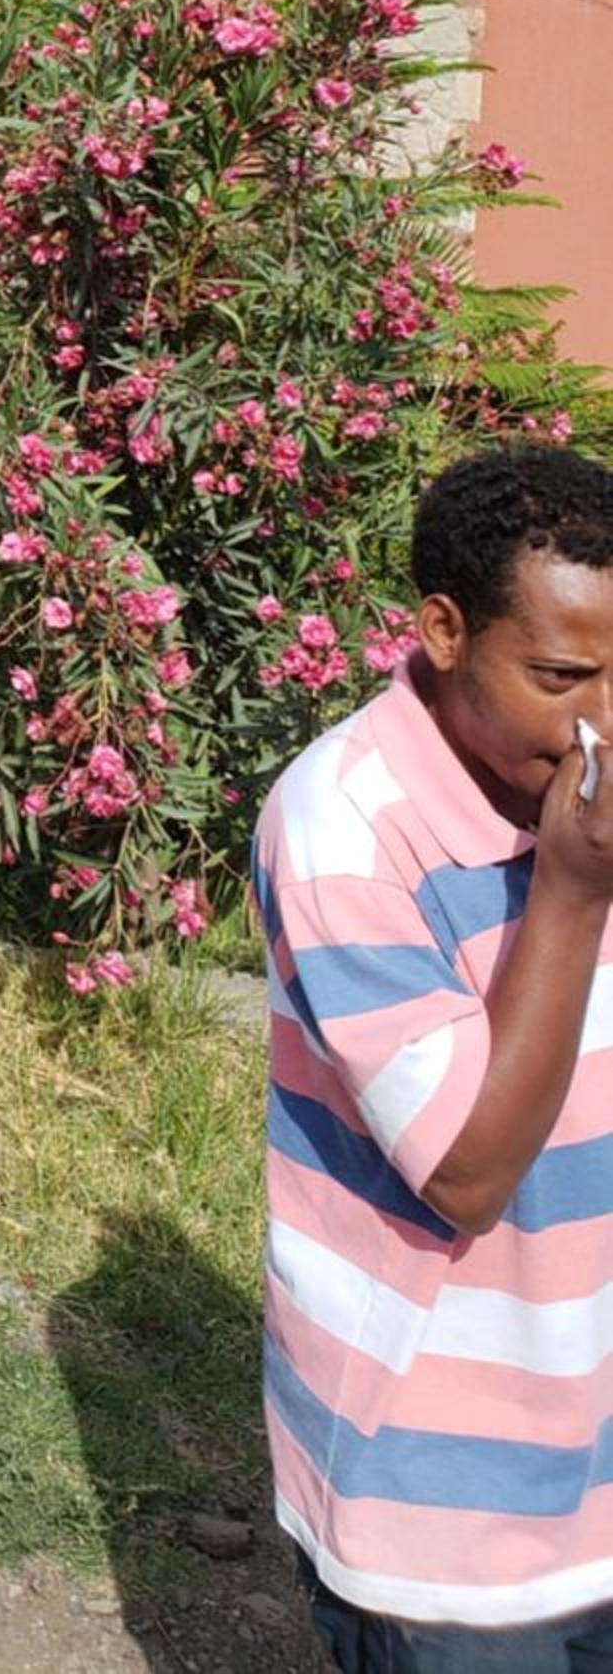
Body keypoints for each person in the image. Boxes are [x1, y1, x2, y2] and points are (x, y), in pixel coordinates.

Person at [256, 442, 613, 1667]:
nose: (602, 721)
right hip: (437, 1496)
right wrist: (571, 893)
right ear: (447, 631)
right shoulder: (346, 828)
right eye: (562, 676)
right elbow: (467, 1171)